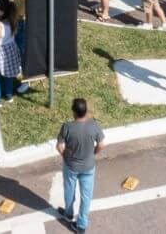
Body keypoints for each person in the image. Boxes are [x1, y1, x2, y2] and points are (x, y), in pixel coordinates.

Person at [56, 98, 104, 232]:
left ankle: (68, 214)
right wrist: (93, 154)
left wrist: (65, 156)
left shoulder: (67, 127)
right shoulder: (94, 125)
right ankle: (81, 225)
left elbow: (59, 146)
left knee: (69, 191)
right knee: (86, 196)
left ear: (74, 112)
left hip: (71, 166)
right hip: (89, 167)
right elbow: (101, 145)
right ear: (86, 111)